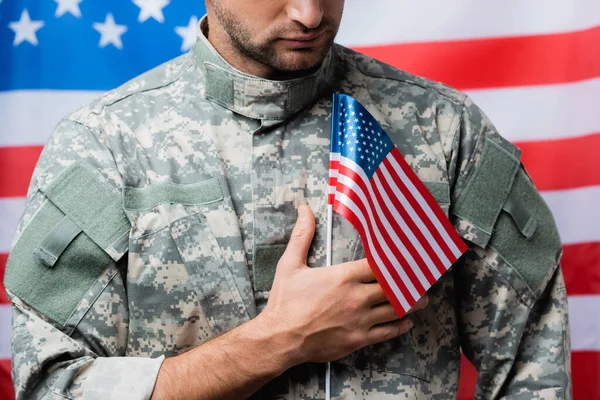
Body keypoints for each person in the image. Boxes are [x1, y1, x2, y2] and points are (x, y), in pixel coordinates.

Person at [5, 0, 571, 399]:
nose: (309, 13)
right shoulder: (105, 146)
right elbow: (51, 386)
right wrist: (277, 342)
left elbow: (531, 359)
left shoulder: (444, 129)